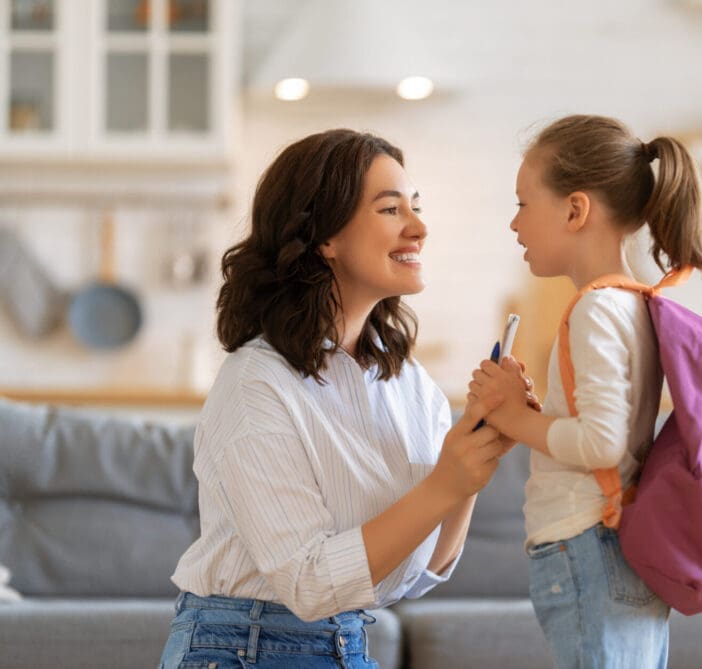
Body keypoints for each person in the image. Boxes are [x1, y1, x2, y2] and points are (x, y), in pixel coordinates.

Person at [159, 128, 531, 668]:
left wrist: (472, 463)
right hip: (245, 647)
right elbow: (309, 585)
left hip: (346, 643)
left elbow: (422, 572)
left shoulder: (410, 385)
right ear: (325, 236)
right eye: (390, 209)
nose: (419, 228)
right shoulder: (256, 384)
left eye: (416, 207)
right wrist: (448, 480)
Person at [467, 114, 702, 668]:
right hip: (617, 546)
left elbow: (603, 444)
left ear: (575, 209)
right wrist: (532, 411)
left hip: (587, 544)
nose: (514, 225)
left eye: (523, 204)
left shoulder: (596, 311)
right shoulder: (635, 302)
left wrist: (511, 417)